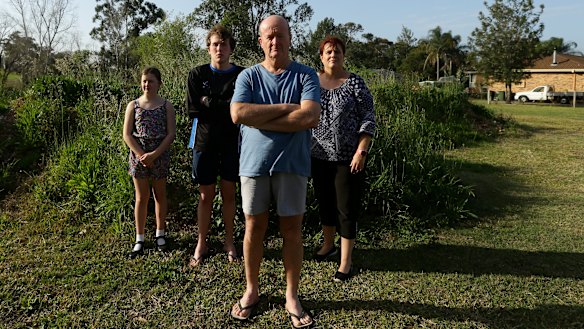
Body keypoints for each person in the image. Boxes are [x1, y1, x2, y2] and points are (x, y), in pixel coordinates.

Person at [229, 15, 320, 329]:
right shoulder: (249, 77)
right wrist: (287, 107)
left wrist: (261, 118)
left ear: (290, 38)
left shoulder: (306, 75)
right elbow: (238, 113)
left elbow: (309, 117)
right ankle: (251, 290)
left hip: (292, 165)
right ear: (260, 41)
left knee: (292, 231)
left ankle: (291, 295)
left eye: (280, 35)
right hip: (253, 165)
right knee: (254, 227)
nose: (275, 42)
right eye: (269, 36)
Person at [311, 36, 376, 282]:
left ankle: (346, 262)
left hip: (348, 159)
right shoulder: (311, 82)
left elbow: (368, 115)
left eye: (337, 51)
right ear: (321, 56)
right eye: (328, 51)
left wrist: (362, 150)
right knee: (325, 203)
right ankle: (328, 245)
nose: (333, 55)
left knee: (346, 209)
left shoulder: (354, 83)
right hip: (317, 156)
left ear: (343, 55)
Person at [186, 25, 245, 267]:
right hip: (204, 142)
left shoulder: (243, 75)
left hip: (233, 143)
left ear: (231, 48)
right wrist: (225, 105)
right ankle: (202, 242)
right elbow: (193, 109)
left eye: (223, 44)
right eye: (214, 44)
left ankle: (229, 242)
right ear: (208, 48)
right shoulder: (197, 75)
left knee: (230, 194)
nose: (219, 49)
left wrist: (209, 101)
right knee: (205, 195)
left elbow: (240, 110)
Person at [123, 67, 177, 259]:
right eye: (144, 81)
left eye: (151, 81)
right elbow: (127, 134)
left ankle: (160, 234)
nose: (147, 84)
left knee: (160, 195)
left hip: (159, 155)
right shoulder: (133, 105)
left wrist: (154, 155)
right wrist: (142, 155)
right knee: (141, 197)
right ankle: (139, 238)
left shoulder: (166, 106)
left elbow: (171, 134)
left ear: (159, 84)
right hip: (138, 157)